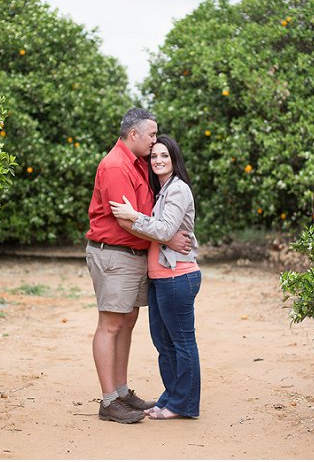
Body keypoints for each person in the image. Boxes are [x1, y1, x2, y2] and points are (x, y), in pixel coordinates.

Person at [85, 109, 192, 424]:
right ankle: (108, 401)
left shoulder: (137, 163)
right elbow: (125, 219)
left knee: (127, 321)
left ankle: (121, 391)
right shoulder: (116, 166)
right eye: (151, 135)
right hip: (114, 254)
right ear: (134, 135)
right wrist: (168, 239)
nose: (155, 141)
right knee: (110, 324)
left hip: (133, 255)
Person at [110, 135, 201, 420]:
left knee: (182, 343)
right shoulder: (161, 191)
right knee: (163, 343)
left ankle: (183, 405)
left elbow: (163, 231)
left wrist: (133, 215)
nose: (158, 161)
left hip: (178, 277)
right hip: (160, 278)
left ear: (175, 159)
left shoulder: (178, 190)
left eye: (165, 156)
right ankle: (172, 396)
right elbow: (163, 233)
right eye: (154, 156)